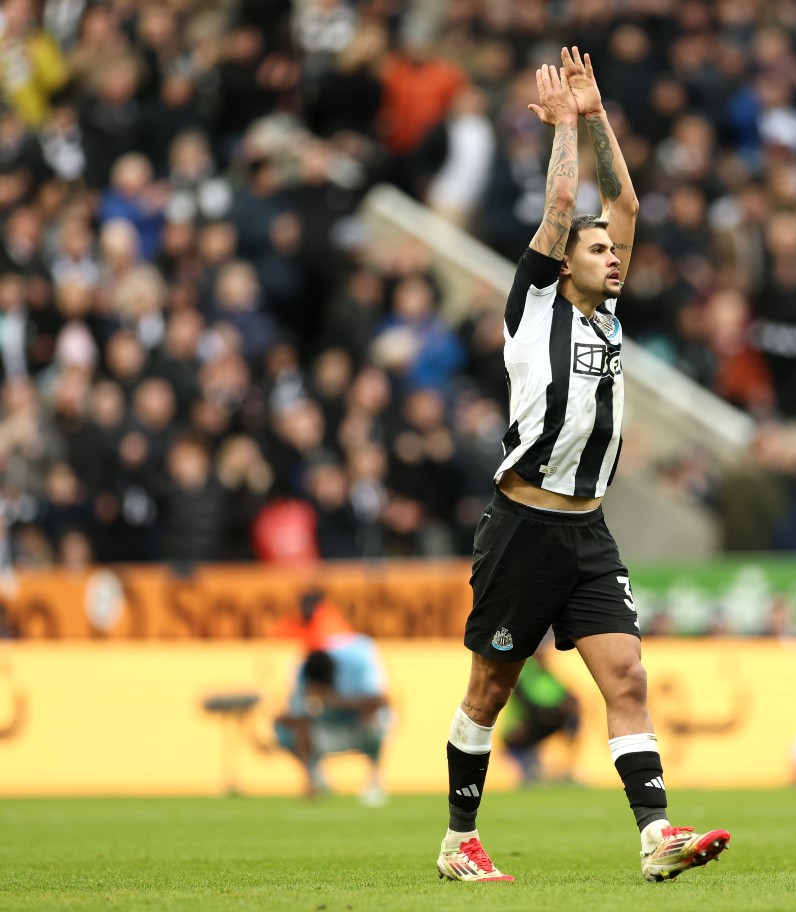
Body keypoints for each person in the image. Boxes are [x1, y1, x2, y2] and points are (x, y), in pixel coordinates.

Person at [436, 48, 730, 884]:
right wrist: (563, 125)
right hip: (523, 527)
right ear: (565, 262)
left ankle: (656, 835)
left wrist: (599, 115)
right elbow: (567, 202)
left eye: (612, 251)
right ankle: (459, 840)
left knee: (627, 676)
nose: (611, 256)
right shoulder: (532, 309)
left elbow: (625, 200)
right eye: (597, 251)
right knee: (489, 692)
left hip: (587, 530)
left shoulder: (607, 318)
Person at [274, 630, 391, 806]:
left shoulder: (359, 658)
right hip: (327, 726)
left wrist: (334, 701)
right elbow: (298, 719)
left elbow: (383, 701)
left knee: (382, 720)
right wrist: (307, 777)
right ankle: (316, 778)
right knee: (282, 727)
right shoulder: (302, 670)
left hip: (359, 724)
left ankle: (374, 780)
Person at [501, 639, 581, 785]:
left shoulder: (548, 675)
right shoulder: (523, 674)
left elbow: (568, 696)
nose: (544, 657)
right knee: (537, 720)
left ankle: (565, 768)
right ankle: (528, 769)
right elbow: (527, 706)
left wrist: (569, 705)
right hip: (519, 728)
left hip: (542, 721)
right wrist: (556, 710)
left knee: (572, 719)